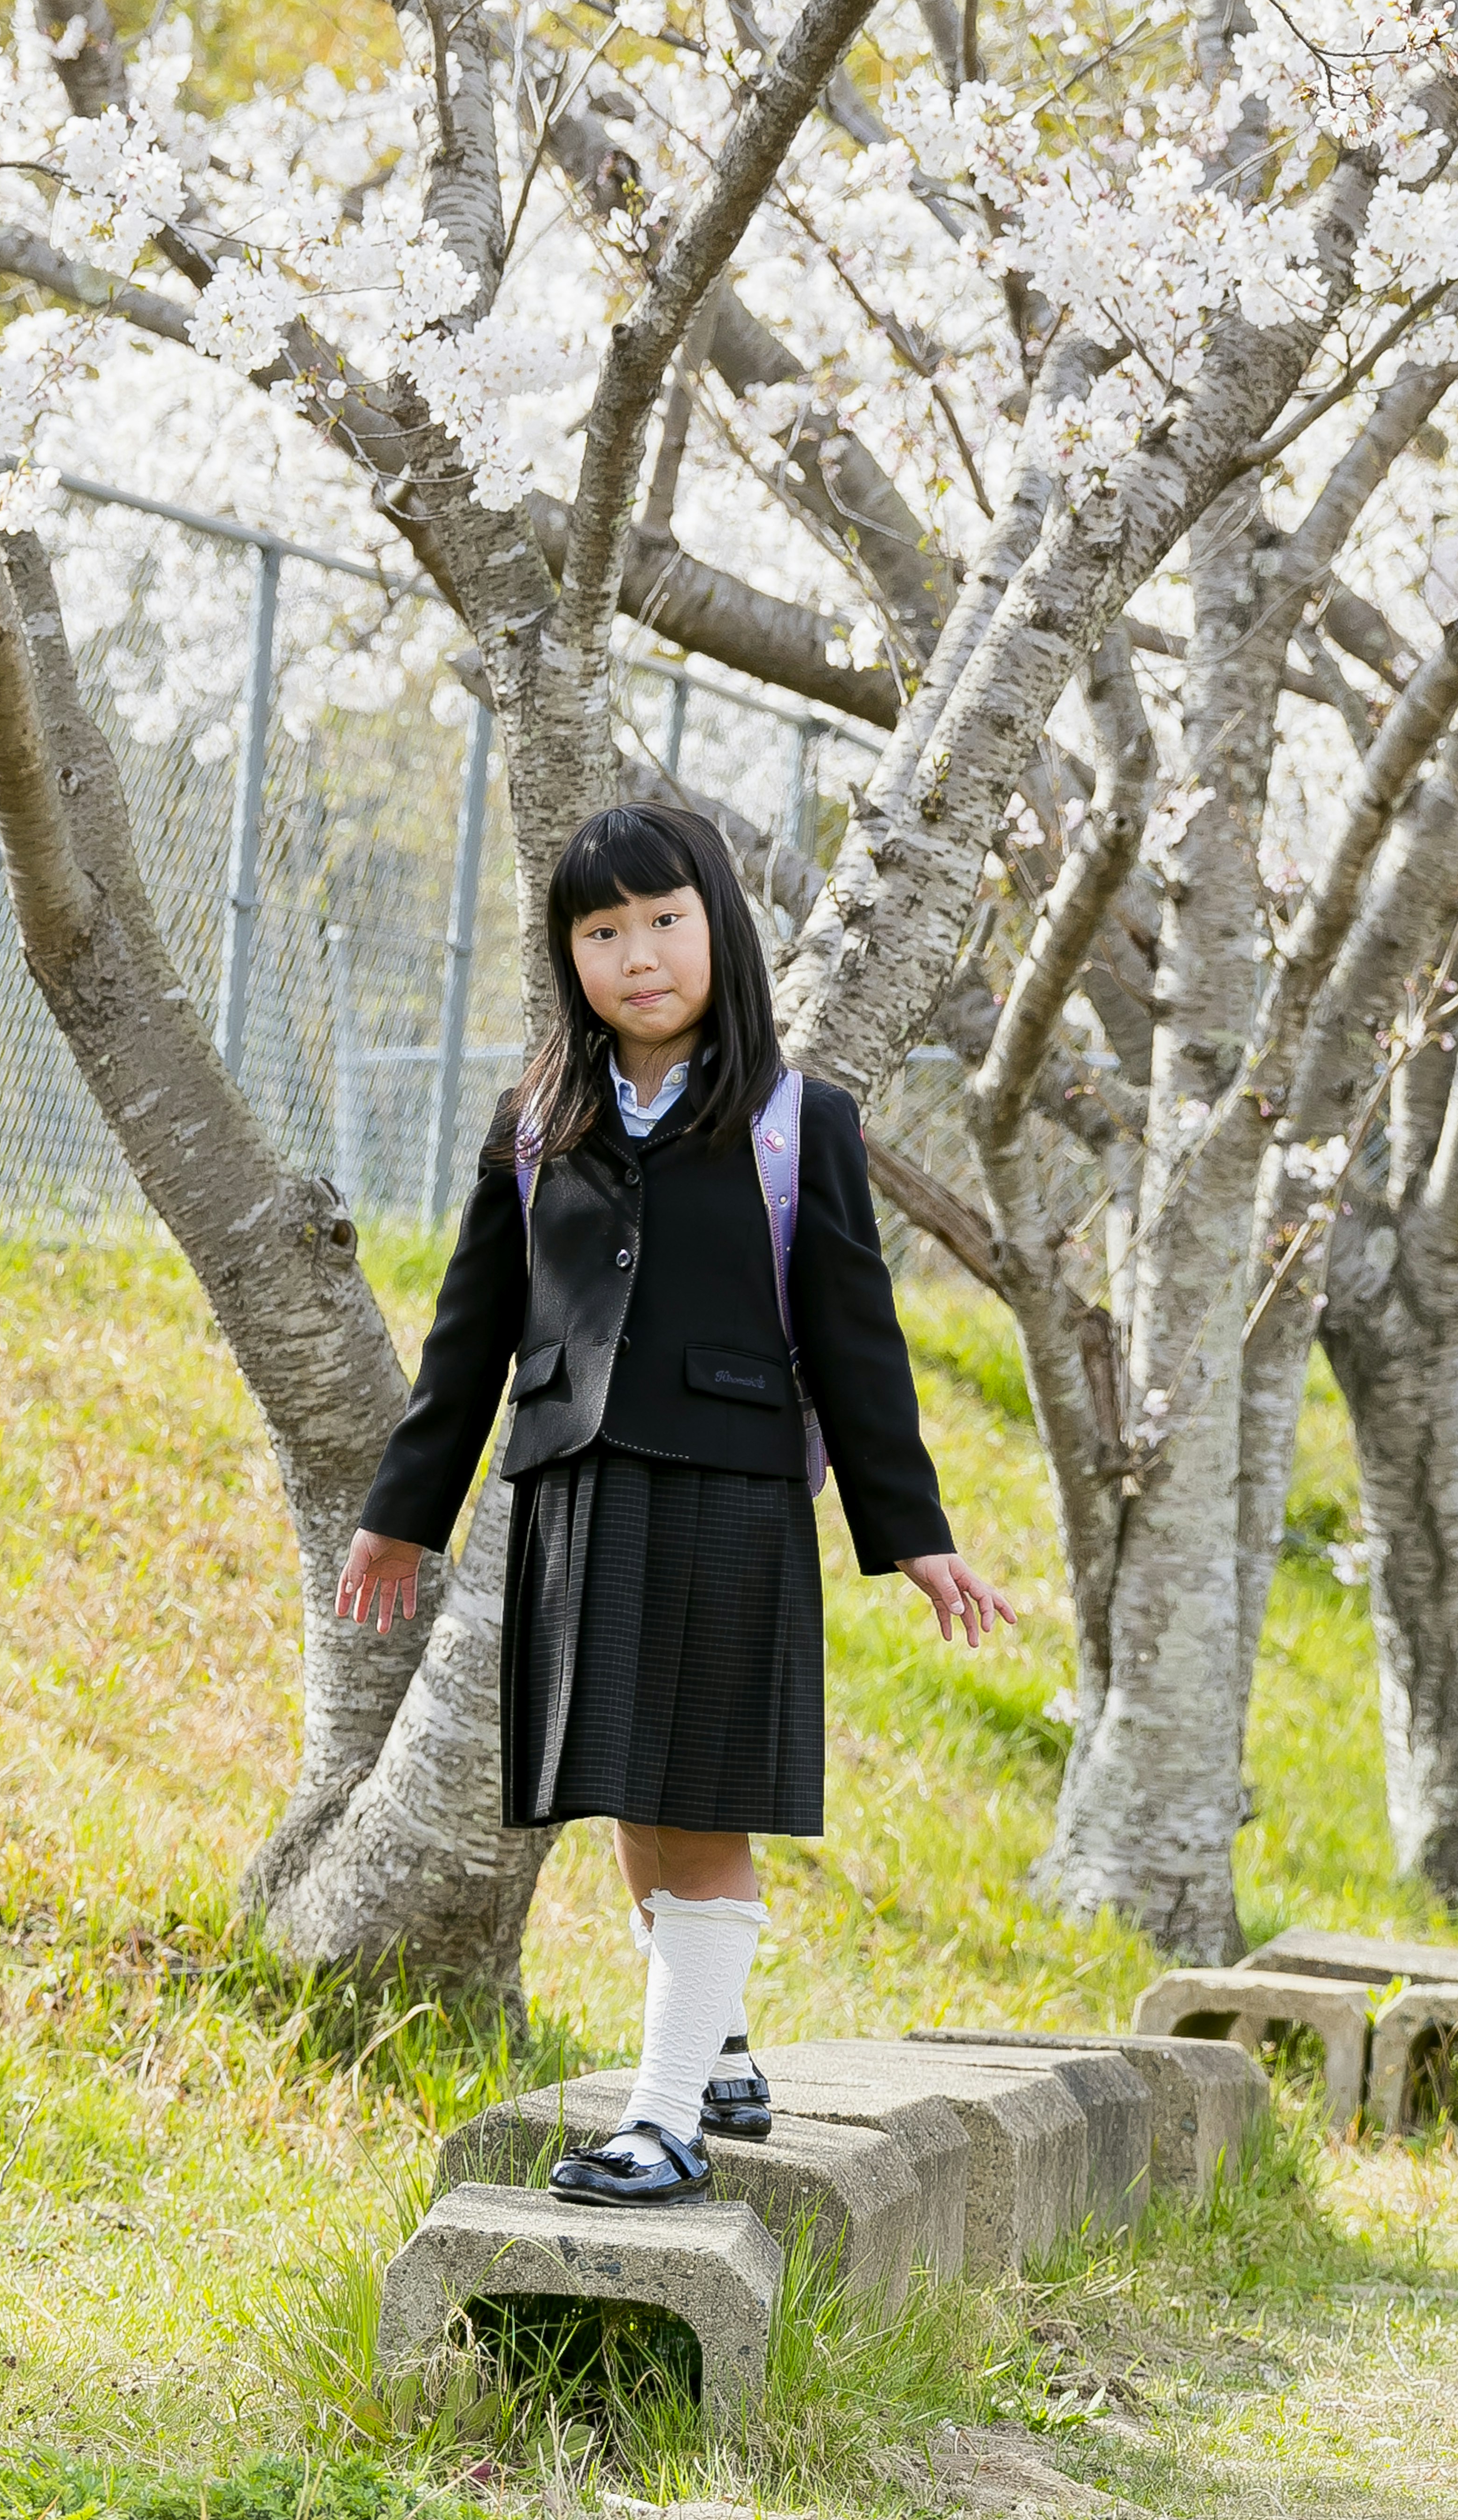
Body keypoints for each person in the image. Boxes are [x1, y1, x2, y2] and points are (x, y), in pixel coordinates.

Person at [337, 803, 1015, 2207]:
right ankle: (717, 2050)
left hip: (730, 1499)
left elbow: (855, 1337)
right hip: (575, 1494)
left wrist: (918, 1535)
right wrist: (405, 1507)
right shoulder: (534, 1124)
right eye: (602, 931)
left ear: (722, 930)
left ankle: (666, 2125)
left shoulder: (794, 1123)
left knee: (700, 1800)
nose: (637, 955)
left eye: (664, 921)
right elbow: (473, 1332)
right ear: (569, 952)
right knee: (631, 1791)